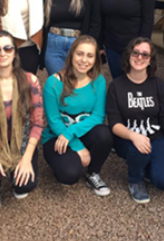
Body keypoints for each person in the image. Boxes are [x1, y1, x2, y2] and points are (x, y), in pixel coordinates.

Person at [0, 31, 44, 214]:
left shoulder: (30, 82)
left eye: (7, 48)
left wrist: (27, 158)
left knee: (24, 186)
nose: (2, 53)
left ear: (14, 53)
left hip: (22, 142)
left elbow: (37, 123)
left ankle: (17, 169)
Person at [106, 37, 164, 204]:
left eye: (145, 54)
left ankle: (148, 166)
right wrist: (133, 136)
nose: (139, 58)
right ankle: (135, 179)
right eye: (136, 53)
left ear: (150, 60)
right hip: (127, 139)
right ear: (128, 55)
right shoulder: (116, 86)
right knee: (139, 150)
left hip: (155, 137)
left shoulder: (158, 85)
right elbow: (114, 123)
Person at [42, 35, 113, 196]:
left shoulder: (99, 81)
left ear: (95, 59)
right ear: (71, 55)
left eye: (90, 56)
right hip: (57, 136)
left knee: (104, 133)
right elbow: (54, 121)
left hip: (77, 132)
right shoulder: (53, 83)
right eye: (80, 54)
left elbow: (98, 116)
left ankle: (93, 173)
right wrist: (78, 146)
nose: (84, 60)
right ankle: (66, 160)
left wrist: (71, 134)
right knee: (69, 175)